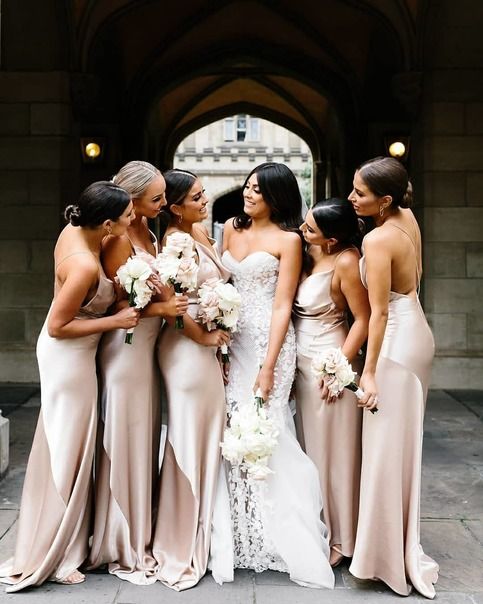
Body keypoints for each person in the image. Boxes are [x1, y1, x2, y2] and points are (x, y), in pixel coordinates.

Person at [0, 182, 138, 592]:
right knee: (68, 450)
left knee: (68, 446)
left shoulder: (75, 229)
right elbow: (58, 326)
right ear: (109, 223)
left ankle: (63, 539)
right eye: (129, 215)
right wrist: (114, 321)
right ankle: (55, 553)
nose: (134, 221)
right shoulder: (82, 263)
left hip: (75, 354)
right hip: (68, 356)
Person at [210, 162, 334, 589]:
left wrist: (267, 366)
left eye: (258, 190)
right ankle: (240, 534)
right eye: (247, 186)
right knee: (231, 428)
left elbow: (282, 305)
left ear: (277, 197)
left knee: (266, 429)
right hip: (232, 338)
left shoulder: (288, 240)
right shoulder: (229, 228)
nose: (248, 193)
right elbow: (222, 284)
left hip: (269, 344)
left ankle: (277, 536)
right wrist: (218, 336)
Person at [88, 161, 188, 584]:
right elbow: (115, 303)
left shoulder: (147, 230)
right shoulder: (115, 237)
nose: (165, 204)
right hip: (125, 349)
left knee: (145, 433)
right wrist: (162, 307)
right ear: (130, 199)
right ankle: (120, 538)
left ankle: (141, 527)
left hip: (146, 349)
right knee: (125, 434)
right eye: (157, 199)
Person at [347, 156, 439, 598]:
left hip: (397, 346)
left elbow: (379, 312)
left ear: (384, 201)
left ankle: (382, 559)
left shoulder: (378, 240)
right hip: (416, 330)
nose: (350, 198)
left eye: (359, 194)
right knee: (400, 447)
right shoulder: (408, 218)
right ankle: (390, 545)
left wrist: (369, 373)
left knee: (385, 450)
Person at [152, 169, 231, 591]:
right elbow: (174, 304)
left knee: (207, 434)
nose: (205, 200)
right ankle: (180, 537)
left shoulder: (199, 231)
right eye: (197, 197)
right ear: (174, 207)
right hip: (185, 349)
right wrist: (205, 336)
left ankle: (205, 523)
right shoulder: (177, 241)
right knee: (187, 435)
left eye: (204, 194)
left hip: (205, 348)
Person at [294, 198, 370, 567]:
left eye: (310, 229)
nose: (302, 231)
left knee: (335, 454)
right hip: (301, 365)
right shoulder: (309, 255)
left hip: (329, 364)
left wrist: (339, 366)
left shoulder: (346, 261)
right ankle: (315, 528)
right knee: (310, 452)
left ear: (333, 239)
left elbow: (363, 318)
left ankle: (343, 538)